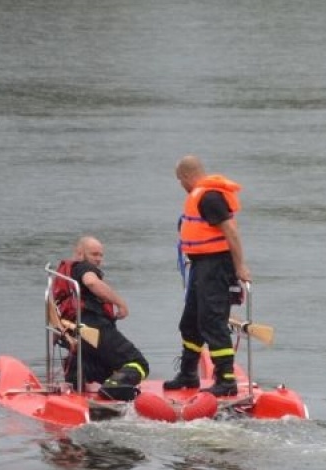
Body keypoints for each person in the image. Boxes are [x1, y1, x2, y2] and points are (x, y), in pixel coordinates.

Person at [165, 155, 249, 398]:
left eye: (180, 180)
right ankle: (188, 373)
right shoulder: (199, 196)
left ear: (187, 176)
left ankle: (226, 379)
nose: (181, 185)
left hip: (216, 265)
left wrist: (240, 267)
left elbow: (231, 232)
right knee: (190, 322)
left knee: (212, 321)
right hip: (201, 265)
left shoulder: (210, 197)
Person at [52, 235, 149, 401]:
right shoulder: (83, 268)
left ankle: (77, 375)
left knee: (108, 365)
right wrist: (121, 303)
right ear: (80, 253)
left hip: (73, 328)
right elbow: (92, 282)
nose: (98, 259)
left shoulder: (69, 273)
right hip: (93, 326)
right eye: (94, 254)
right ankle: (113, 387)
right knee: (139, 363)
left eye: (101, 255)